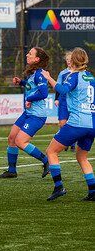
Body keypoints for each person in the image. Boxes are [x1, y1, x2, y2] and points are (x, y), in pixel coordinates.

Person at [40, 48, 95, 201]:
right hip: (92, 124)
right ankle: (93, 191)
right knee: (82, 157)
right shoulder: (91, 77)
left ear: (74, 60)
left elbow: (63, 89)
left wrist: (49, 78)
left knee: (51, 151)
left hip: (78, 122)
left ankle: (59, 187)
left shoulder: (74, 76)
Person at [0, 47, 51, 179]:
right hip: (28, 113)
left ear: (37, 59)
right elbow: (33, 87)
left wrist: (29, 98)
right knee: (12, 138)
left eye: (30, 54)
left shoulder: (39, 74)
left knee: (20, 141)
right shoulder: (34, 74)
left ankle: (46, 161)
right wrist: (22, 82)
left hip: (37, 116)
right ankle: (12, 171)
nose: (27, 55)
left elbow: (44, 93)